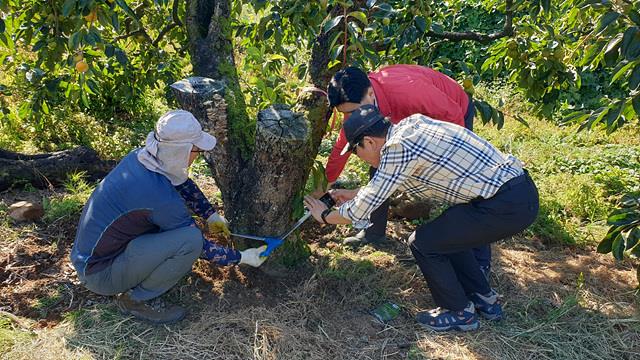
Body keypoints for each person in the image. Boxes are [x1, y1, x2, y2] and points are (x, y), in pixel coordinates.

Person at [304, 105, 539, 332]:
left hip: (505, 205)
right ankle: (483, 299)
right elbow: (389, 186)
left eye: (356, 151)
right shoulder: (411, 127)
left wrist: (324, 216)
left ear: (369, 142)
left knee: (423, 243)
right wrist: (354, 194)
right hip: (514, 194)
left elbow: (361, 210)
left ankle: (459, 313)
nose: (360, 157)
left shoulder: (398, 148)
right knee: (448, 233)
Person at [70, 110, 267, 324]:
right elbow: (199, 245)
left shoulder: (144, 158)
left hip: (92, 258)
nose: (198, 154)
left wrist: (210, 215)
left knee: (178, 232)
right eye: (196, 150)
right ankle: (135, 299)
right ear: (179, 152)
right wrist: (242, 257)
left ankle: (141, 274)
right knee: (189, 239)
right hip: (101, 274)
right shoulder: (159, 197)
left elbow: (181, 182)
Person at [325, 65, 491, 278]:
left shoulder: (406, 92)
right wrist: (326, 183)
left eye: (353, 111)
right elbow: (342, 146)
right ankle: (373, 231)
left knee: (464, 191)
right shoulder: (361, 106)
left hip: (451, 114)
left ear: (370, 93)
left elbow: (453, 118)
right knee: (379, 168)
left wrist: (442, 160)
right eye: (345, 114)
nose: (350, 118)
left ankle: (479, 263)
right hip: (407, 124)